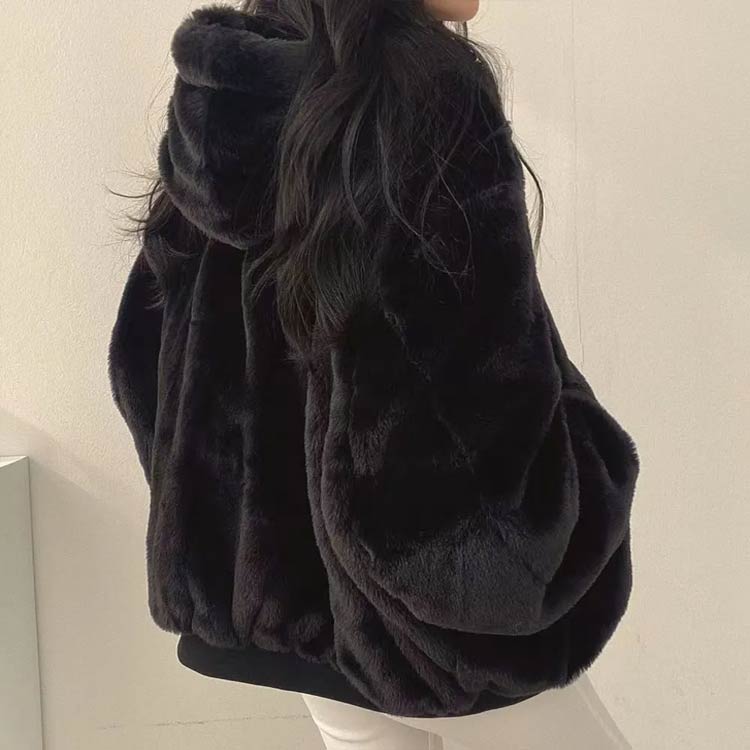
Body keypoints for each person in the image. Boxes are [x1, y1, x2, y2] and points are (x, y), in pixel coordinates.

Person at [107, 0, 640, 746]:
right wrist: (585, 487)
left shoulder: (220, 93)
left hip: (275, 626)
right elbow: (471, 423)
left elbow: (142, 360)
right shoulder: (427, 92)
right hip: (424, 643)